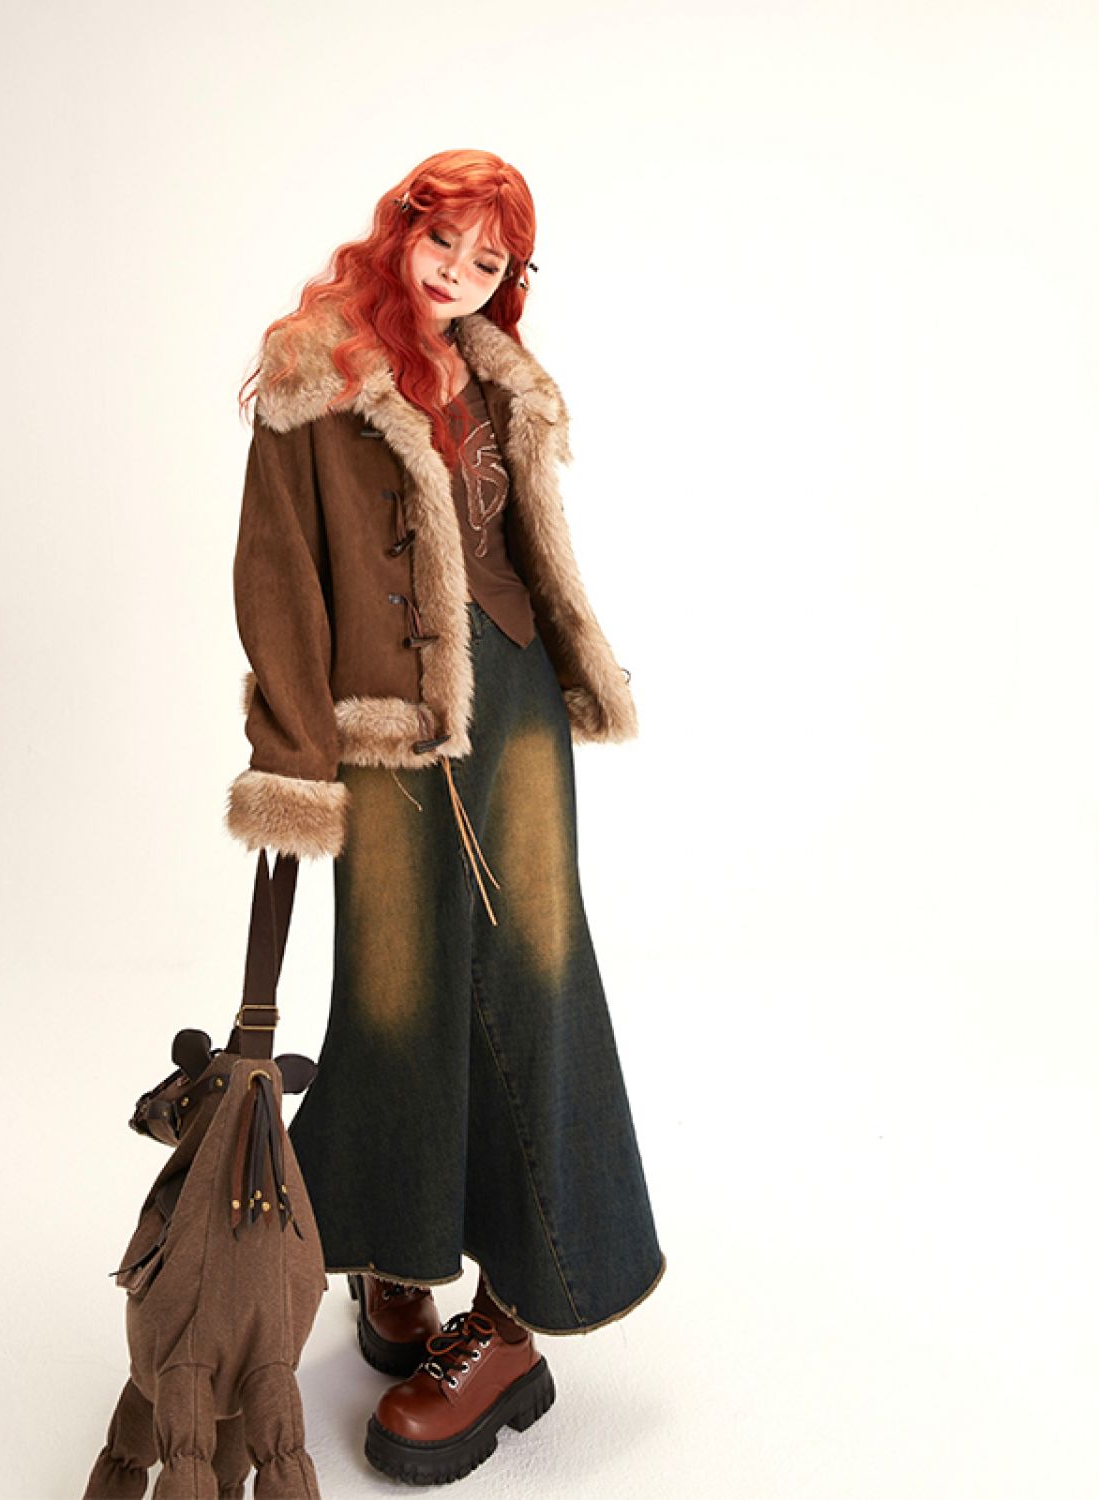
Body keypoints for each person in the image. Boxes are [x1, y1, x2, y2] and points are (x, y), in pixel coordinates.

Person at [225, 148, 665, 1486]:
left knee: (534, 977)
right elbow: (278, 578)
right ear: (400, 229)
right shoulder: (312, 371)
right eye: (445, 244)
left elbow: (523, 549)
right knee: (396, 987)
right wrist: (296, 761)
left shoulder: (499, 375)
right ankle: (395, 1251)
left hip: (514, 705)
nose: (460, 276)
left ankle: (516, 1323)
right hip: (388, 728)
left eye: (490, 261)